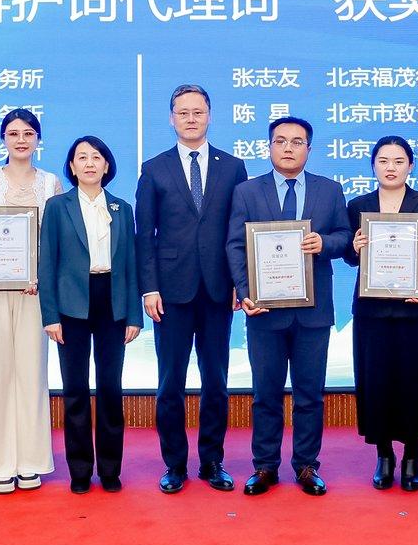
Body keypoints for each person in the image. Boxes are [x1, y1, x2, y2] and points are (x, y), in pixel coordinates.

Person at [226, 116, 352, 497]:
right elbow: (235, 244)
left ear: (309, 149)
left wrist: (324, 243)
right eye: (280, 141)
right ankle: (265, 466)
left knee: (309, 394)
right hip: (264, 311)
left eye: (297, 142)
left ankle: (307, 465)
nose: (288, 148)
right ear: (269, 147)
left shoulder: (330, 190)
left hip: (313, 312)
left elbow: (345, 237)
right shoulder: (247, 192)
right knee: (265, 393)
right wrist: (245, 290)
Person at [135, 84, 248, 494]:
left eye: (198, 112)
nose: (191, 119)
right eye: (183, 112)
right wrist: (149, 288)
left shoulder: (233, 167)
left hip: (218, 290)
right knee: (171, 383)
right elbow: (144, 235)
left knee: (216, 380)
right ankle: (175, 464)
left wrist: (240, 282)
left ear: (209, 116)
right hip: (171, 292)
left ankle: (212, 461)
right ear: (171, 118)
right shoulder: (154, 168)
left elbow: (240, 231)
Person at [0, 108, 63, 494]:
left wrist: (43, 278)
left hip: (34, 293)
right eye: (14, 133)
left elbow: (55, 239)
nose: (21, 140)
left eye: (28, 133)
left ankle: (31, 462)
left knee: (32, 375)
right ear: (3, 138)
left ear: (38, 139)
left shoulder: (50, 183)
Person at [344, 136, 418, 491]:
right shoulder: (358, 205)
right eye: (384, 161)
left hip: (413, 310)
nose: (391, 168)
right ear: (373, 165)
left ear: (411, 166)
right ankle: (384, 455)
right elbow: (349, 255)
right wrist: (354, 247)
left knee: (413, 382)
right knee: (376, 383)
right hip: (371, 311)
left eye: (399, 161)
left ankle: (412, 456)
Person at [39, 136, 143, 493]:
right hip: (71, 305)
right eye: (81, 157)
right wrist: (50, 315)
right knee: (75, 390)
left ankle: (111, 469)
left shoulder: (122, 208)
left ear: (106, 165)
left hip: (112, 301)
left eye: (96, 157)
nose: (89, 163)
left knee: (111, 388)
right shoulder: (57, 207)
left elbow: (130, 264)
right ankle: (80, 470)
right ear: (71, 166)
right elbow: (47, 263)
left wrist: (134, 315)